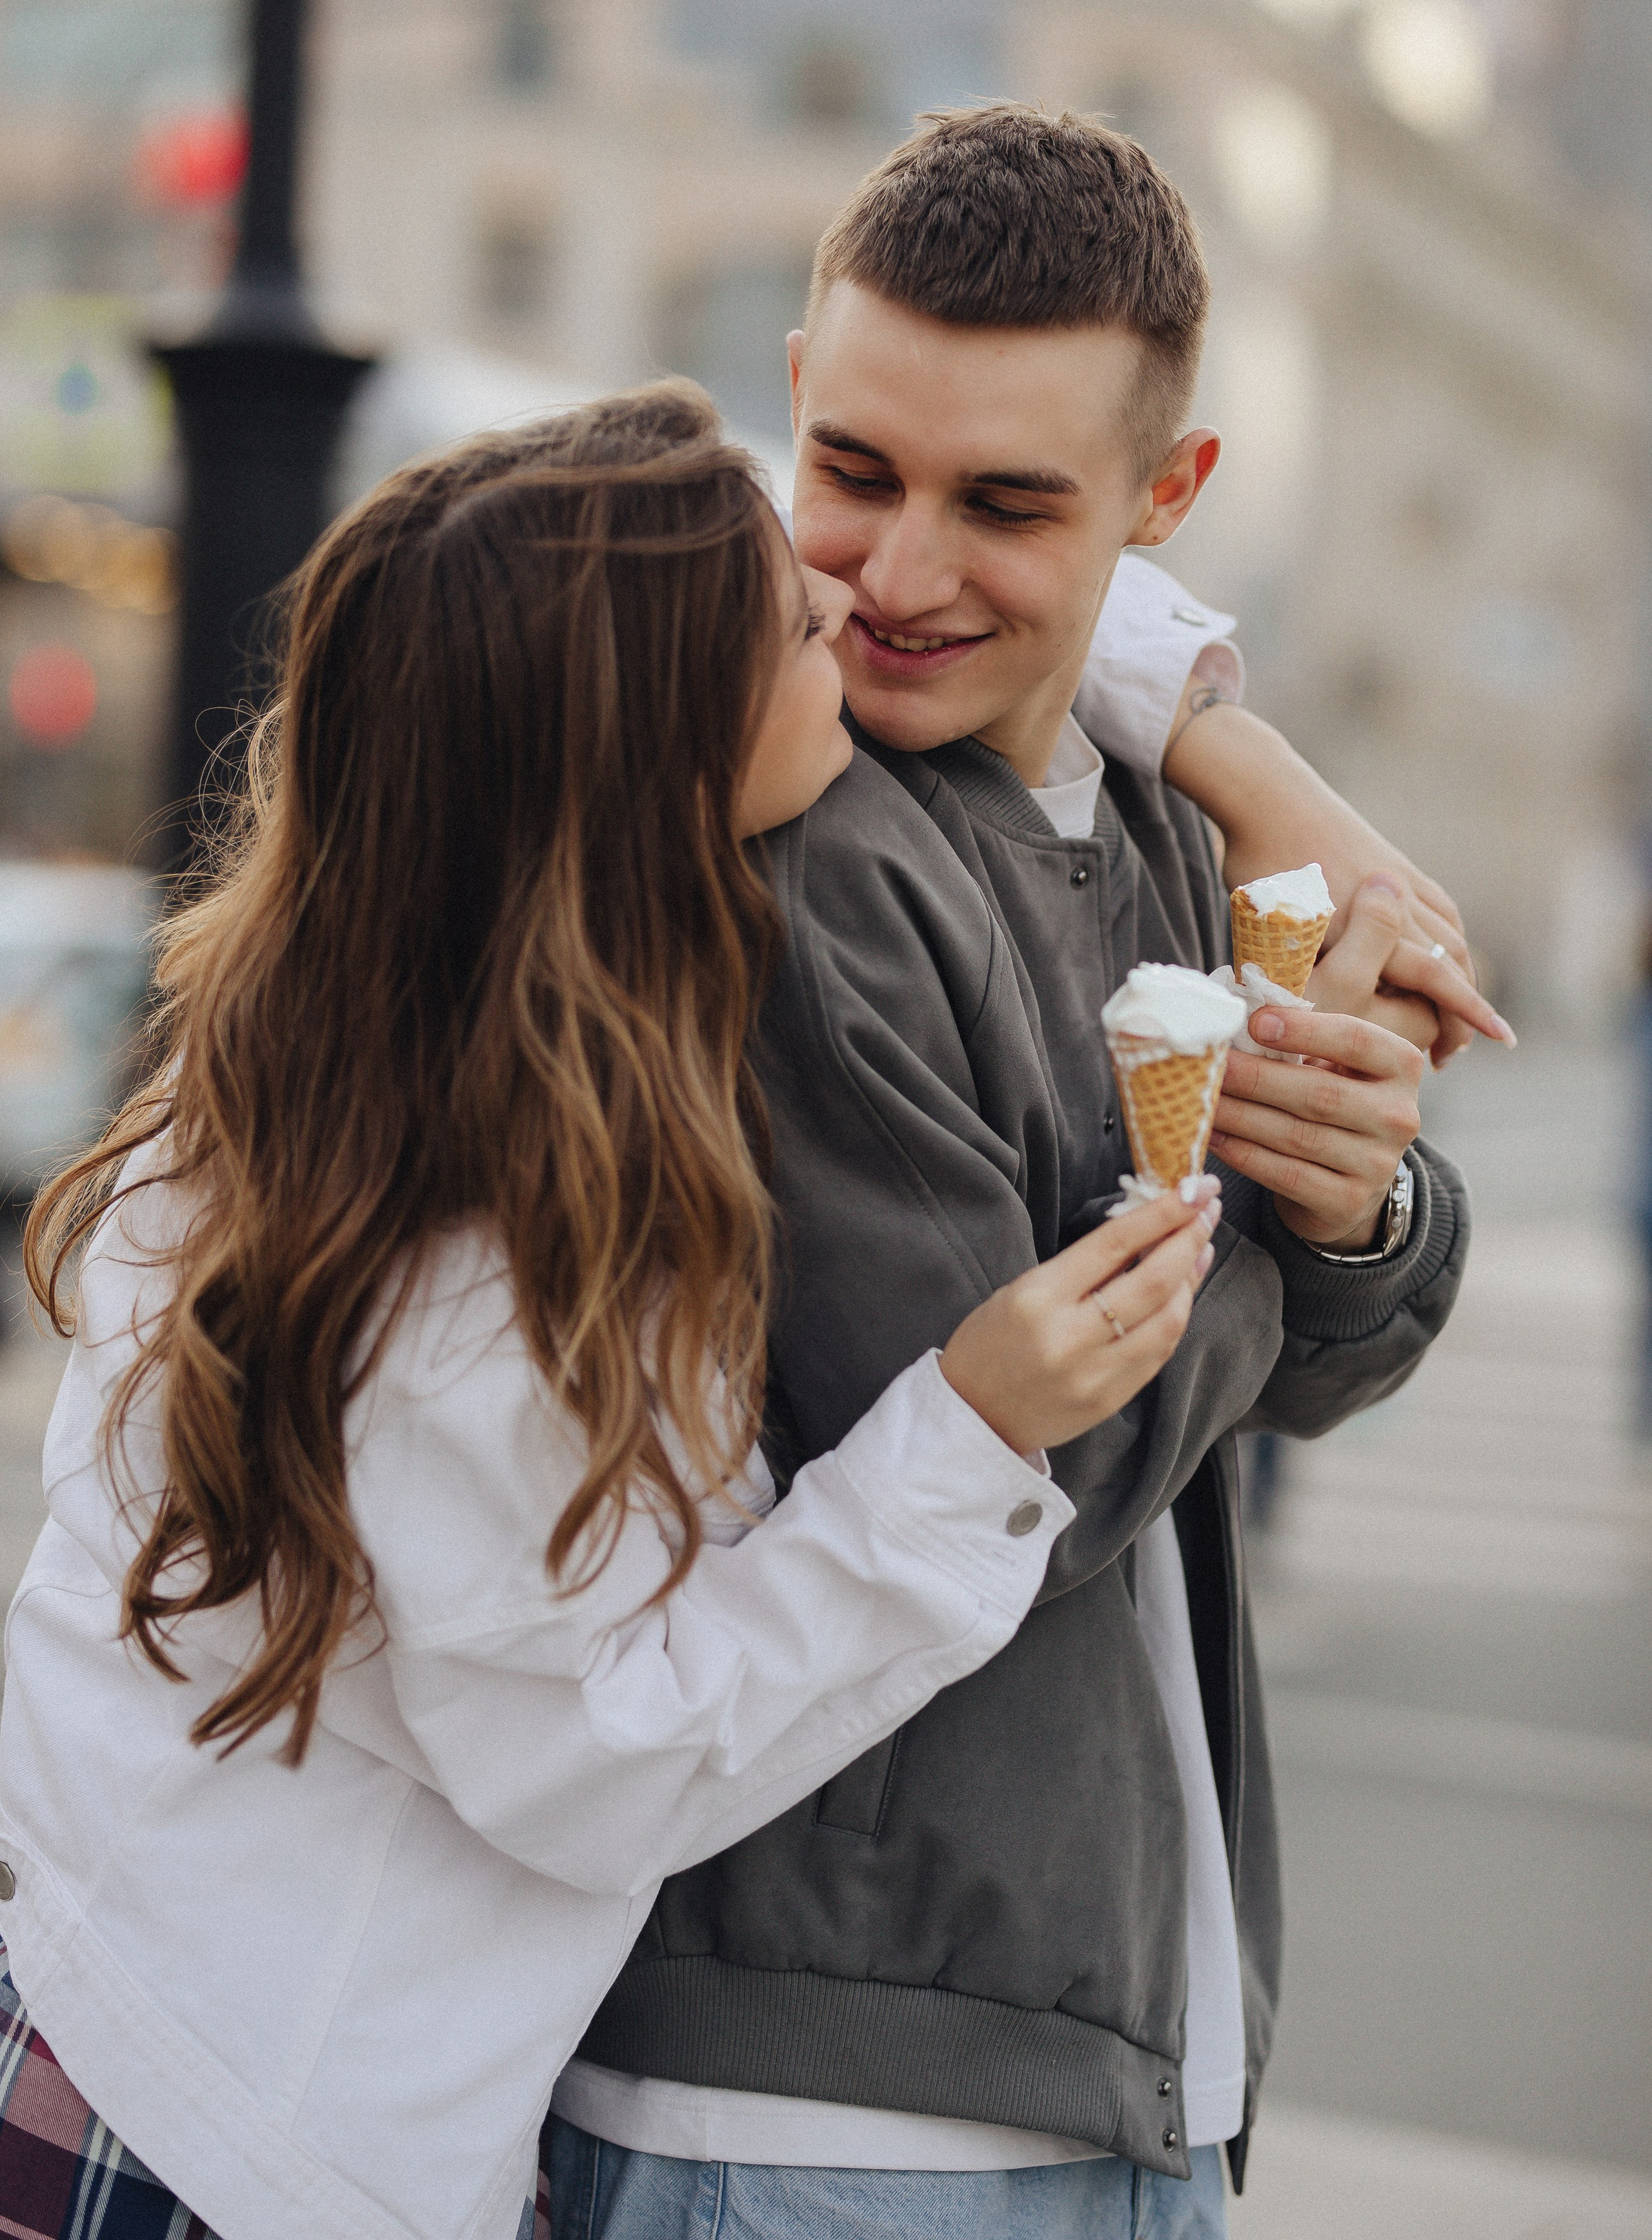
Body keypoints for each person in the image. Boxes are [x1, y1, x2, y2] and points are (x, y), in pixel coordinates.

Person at [0, 385, 1231, 2240]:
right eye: (784, 619)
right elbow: (585, 1760)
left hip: (162, 2034)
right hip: (229, 2137)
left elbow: (1015, 581)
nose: (854, 605)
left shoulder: (333, 1078)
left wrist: (1248, 752)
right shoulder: (470, 1262)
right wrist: (962, 1440)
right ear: (647, 750)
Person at [548, 109, 1482, 2237]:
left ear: (1167, 504)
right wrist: (1281, 1217)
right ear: (795, 386)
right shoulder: (795, 850)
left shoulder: (1159, 823)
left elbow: (1312, 1378)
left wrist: (1373, 1208)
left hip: (1123, 2044)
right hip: (812, 2099)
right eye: (857, 472)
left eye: (1011, 503)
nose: (898, 574)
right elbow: (1022, 1477)